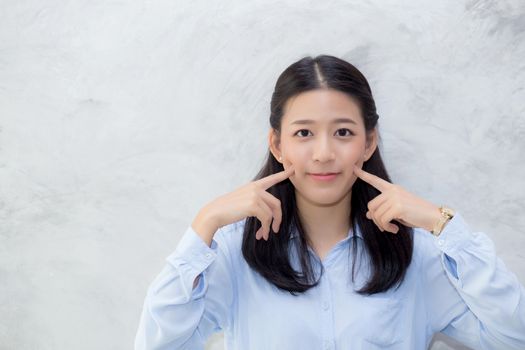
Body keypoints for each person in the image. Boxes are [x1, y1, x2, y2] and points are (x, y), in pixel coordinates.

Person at [134, 55, 525, 349]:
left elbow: (514, 335)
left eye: (342, 132)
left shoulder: (416, 253)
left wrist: (443, 225)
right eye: (304, 133)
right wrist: (205, 224)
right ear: (277, 144)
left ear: (368, 141)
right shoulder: (237, 252)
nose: (323, 153)